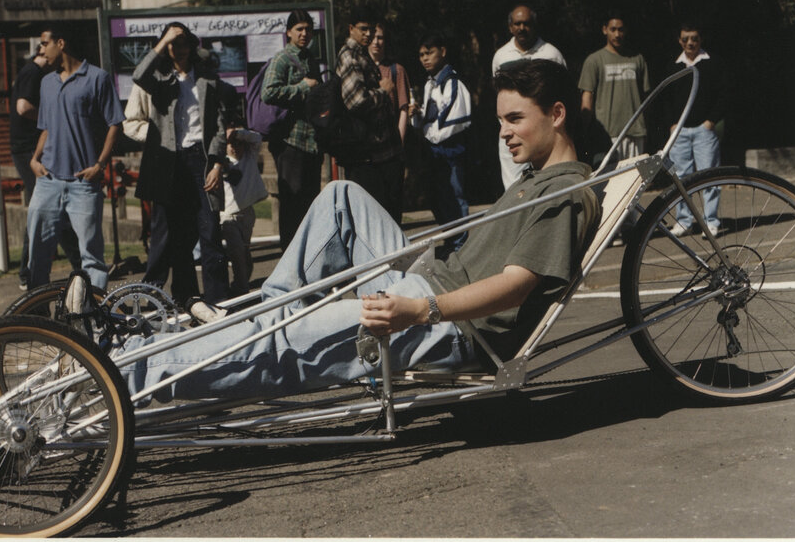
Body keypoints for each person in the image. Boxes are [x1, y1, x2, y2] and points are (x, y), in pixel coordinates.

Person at [101, 59, 598, 403]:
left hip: (446, 323)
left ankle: (121, 368)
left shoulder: (565, 195)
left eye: (515, 119)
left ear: (556, 114)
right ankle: (270, 315)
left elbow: (516, 284)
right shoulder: (540, 178)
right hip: (433, 280)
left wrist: (416, 310)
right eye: (500, 121)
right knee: (341, 198)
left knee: (283, 344)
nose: (504, 132)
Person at [128, 22, 238, 304]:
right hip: (169, 162)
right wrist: (164, 40)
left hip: (200, 159)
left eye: (182, 42)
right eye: (172, 43)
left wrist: (216, 164)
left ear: (191, 45)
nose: (178, 48)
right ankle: (184, 296)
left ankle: (217, 299)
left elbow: (217, 125)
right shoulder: (160, 78)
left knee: (209, 231)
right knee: (176, 235)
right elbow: (139, 74)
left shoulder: (208, 79)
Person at [26, 25, 124, 290]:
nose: (41, 50)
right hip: (47, 180)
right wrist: (35, 159)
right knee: (37, 255)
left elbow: (115, 123)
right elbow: (46, 126)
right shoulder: (47, 83)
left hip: (84, 183)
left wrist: (99, 165)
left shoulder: (97, 78)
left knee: (91, 257)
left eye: (44, 43)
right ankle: (37, 315)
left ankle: (95, 315)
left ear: (61, 43)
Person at [9, 35, 81, 290]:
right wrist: (54, 118)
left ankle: (73, 263)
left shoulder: (35, 73)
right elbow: (23, 106)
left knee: (47, 207)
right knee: (47, 208)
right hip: (29, 147)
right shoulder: (33, 72)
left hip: (32, 145)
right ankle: (30, 273)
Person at [261, 9, 323, 250]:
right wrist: (302, 87)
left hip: (311, 142)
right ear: (288, 32)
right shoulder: (282, 59)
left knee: (310, 205)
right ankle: (289, 262)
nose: (304, 33)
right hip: (290, 143)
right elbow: (269, 92)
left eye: (308, 29)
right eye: (299, 29)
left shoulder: (311, 58)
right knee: (291, 206)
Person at [335, 7, 405, 218]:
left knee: (388, 213)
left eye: (371, 30)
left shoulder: (360, 54)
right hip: (368, 155)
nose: (368, 34)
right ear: (351, 29)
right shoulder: (350, 57)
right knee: (377, 217)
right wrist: (383, 92)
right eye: (363, 29)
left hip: (381, 151)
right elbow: (355, 101)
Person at [491, 4, 567, 189]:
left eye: (526, 23)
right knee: (514, 186)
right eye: (517, 24)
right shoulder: (501, 56)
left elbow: (564, 91)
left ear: (534, 25)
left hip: (545, 133)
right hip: (513, 133)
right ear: (510, 27)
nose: (521, 28)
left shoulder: (552, 54)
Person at [410, 33, 473, 255]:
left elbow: (454, 120)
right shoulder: (430, 84)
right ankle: (451, 240)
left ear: (442, 52)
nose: (425, 59)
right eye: (421, 55)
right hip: (433, 152)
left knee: (454, 197)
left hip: (449, 150)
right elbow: (430, 118)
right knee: (438, 198)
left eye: (430, 53)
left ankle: (461, 245)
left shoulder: (452, 83)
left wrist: (429, 134)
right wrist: (416, 115)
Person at [664, 21, 726, 238]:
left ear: (701, 39)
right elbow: (666, 98)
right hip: (679, 132)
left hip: (704, 131)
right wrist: (672, 124)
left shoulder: (712, 63)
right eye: (685, 39)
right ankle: (684, 221)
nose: (690, 43)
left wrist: (710, 121)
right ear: (679, 40)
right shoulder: (674, 65)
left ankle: (711, 221)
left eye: (694, 39)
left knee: (709, 176)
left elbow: (723, 94)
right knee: (681, 179)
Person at [578, 10, 651, 159]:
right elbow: (587, 99)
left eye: (621, 30)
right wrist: (585, 130)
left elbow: (646, 97)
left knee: (636, 179)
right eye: (613, 30)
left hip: (635, 132)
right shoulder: (594, 60)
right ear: (605, 30)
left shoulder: (637, 59)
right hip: (607, 134)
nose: (617, 34)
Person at [367, 21, 411, 222]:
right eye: (373, 37)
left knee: (392, 204)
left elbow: (403, 108)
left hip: (392, 148)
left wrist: (400, 142)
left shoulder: (396, 70)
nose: (376, 42)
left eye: (381, 37)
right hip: (369, 148)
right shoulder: (361, 68)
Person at [220, 127, 269, 295]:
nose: (234, 147)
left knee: (246, 255)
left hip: (247, 213)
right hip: (228, 216)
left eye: (238, 143)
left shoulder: (250, 157)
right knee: (237, 255)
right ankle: (242, 289)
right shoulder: (221, 163)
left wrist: (236, 133)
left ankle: (239, 285)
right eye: (230, 144)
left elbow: (257, 138)